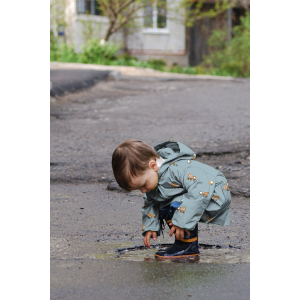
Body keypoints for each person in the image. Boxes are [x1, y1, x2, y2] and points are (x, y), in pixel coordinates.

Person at [112, 139, 231, 259]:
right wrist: (150, 227)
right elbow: (151, 203)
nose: (142, 191)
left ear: (153, 166)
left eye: (143, 185)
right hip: (200, 194)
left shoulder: (177, 169)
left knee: (172, 205)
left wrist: (182, 221)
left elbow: (200, 191)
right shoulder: (155, 176)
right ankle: (184, 243)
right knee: (163, 204)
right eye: (138, 189)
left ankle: (187, 246)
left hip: (215, 194)